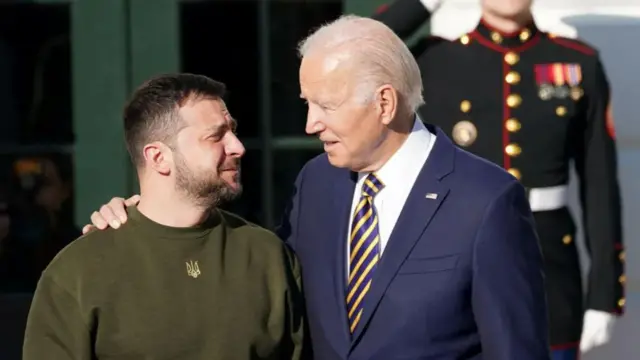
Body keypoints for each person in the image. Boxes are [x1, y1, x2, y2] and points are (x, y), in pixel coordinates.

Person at [82, 16, 550, 359]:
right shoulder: (318, 182)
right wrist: (150, 219)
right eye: (307, 103)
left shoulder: (486, 201)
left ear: (384, 102)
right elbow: (256, 276)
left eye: (326, 105)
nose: (310, 124)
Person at [373, 0, 625, 357]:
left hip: (547, 275)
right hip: (454, 271)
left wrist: (605, 294)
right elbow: (366, 47)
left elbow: (600, 186)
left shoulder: (577, 62)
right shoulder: (435, 61)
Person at [22, 74, 306, 360]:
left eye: (232, 131)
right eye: (216, 136)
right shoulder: (78, 272)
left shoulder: (268, 256)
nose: (237, 147)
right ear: (158, 157)